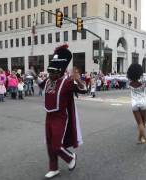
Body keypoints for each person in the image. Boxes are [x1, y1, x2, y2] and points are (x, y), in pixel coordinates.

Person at [39, 45, 86, 179]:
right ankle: (53, 168)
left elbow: (83, 90)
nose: (50, 74)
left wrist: (77, 79)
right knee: (49, 145)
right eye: (49, 71)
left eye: (53, 71)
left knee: (56, 145)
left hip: (60, 117)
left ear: (59, 72)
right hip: (49, 116)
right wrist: (33, 75)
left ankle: (71, 157)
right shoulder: (49, 80)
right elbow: (40, 84)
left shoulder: (67, 82)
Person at [127, 64, 146, 146]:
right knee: (143, 123)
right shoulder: (143, 83)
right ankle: (145, 139)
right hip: (143, 103)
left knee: (139, 123)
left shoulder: (129, 83)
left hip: (134, 104)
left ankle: (140, 139)